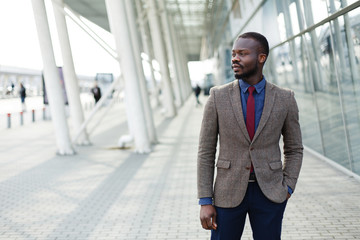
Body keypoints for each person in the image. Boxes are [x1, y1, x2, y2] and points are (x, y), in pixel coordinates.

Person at [197, 32, 303, 240]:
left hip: (270, 192)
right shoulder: (217, 96)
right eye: (234, 54)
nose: (235, 58)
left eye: (242, 54)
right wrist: (205, 200)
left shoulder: (285, 98)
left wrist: (288, 186)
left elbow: (294, 148)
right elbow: (206, 151)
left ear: (261, 58)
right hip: (227, 191)